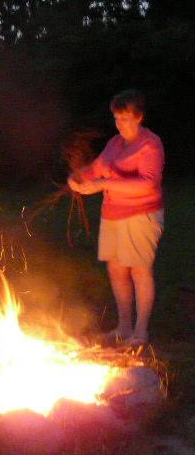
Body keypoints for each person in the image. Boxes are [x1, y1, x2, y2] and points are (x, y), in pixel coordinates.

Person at [68, 89, 164, 347]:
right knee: (117, 269)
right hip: (112, 214)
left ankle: (140, 331)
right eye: (117, 118)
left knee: (140, 270)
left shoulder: (150, 145)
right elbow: (97, 168)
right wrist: (79, 176)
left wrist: (103, 184)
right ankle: (123, 327)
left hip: (141, 215)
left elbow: (148, 183)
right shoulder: (115, 143)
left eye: (126, 118)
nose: (120, 124)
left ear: (139, 117)